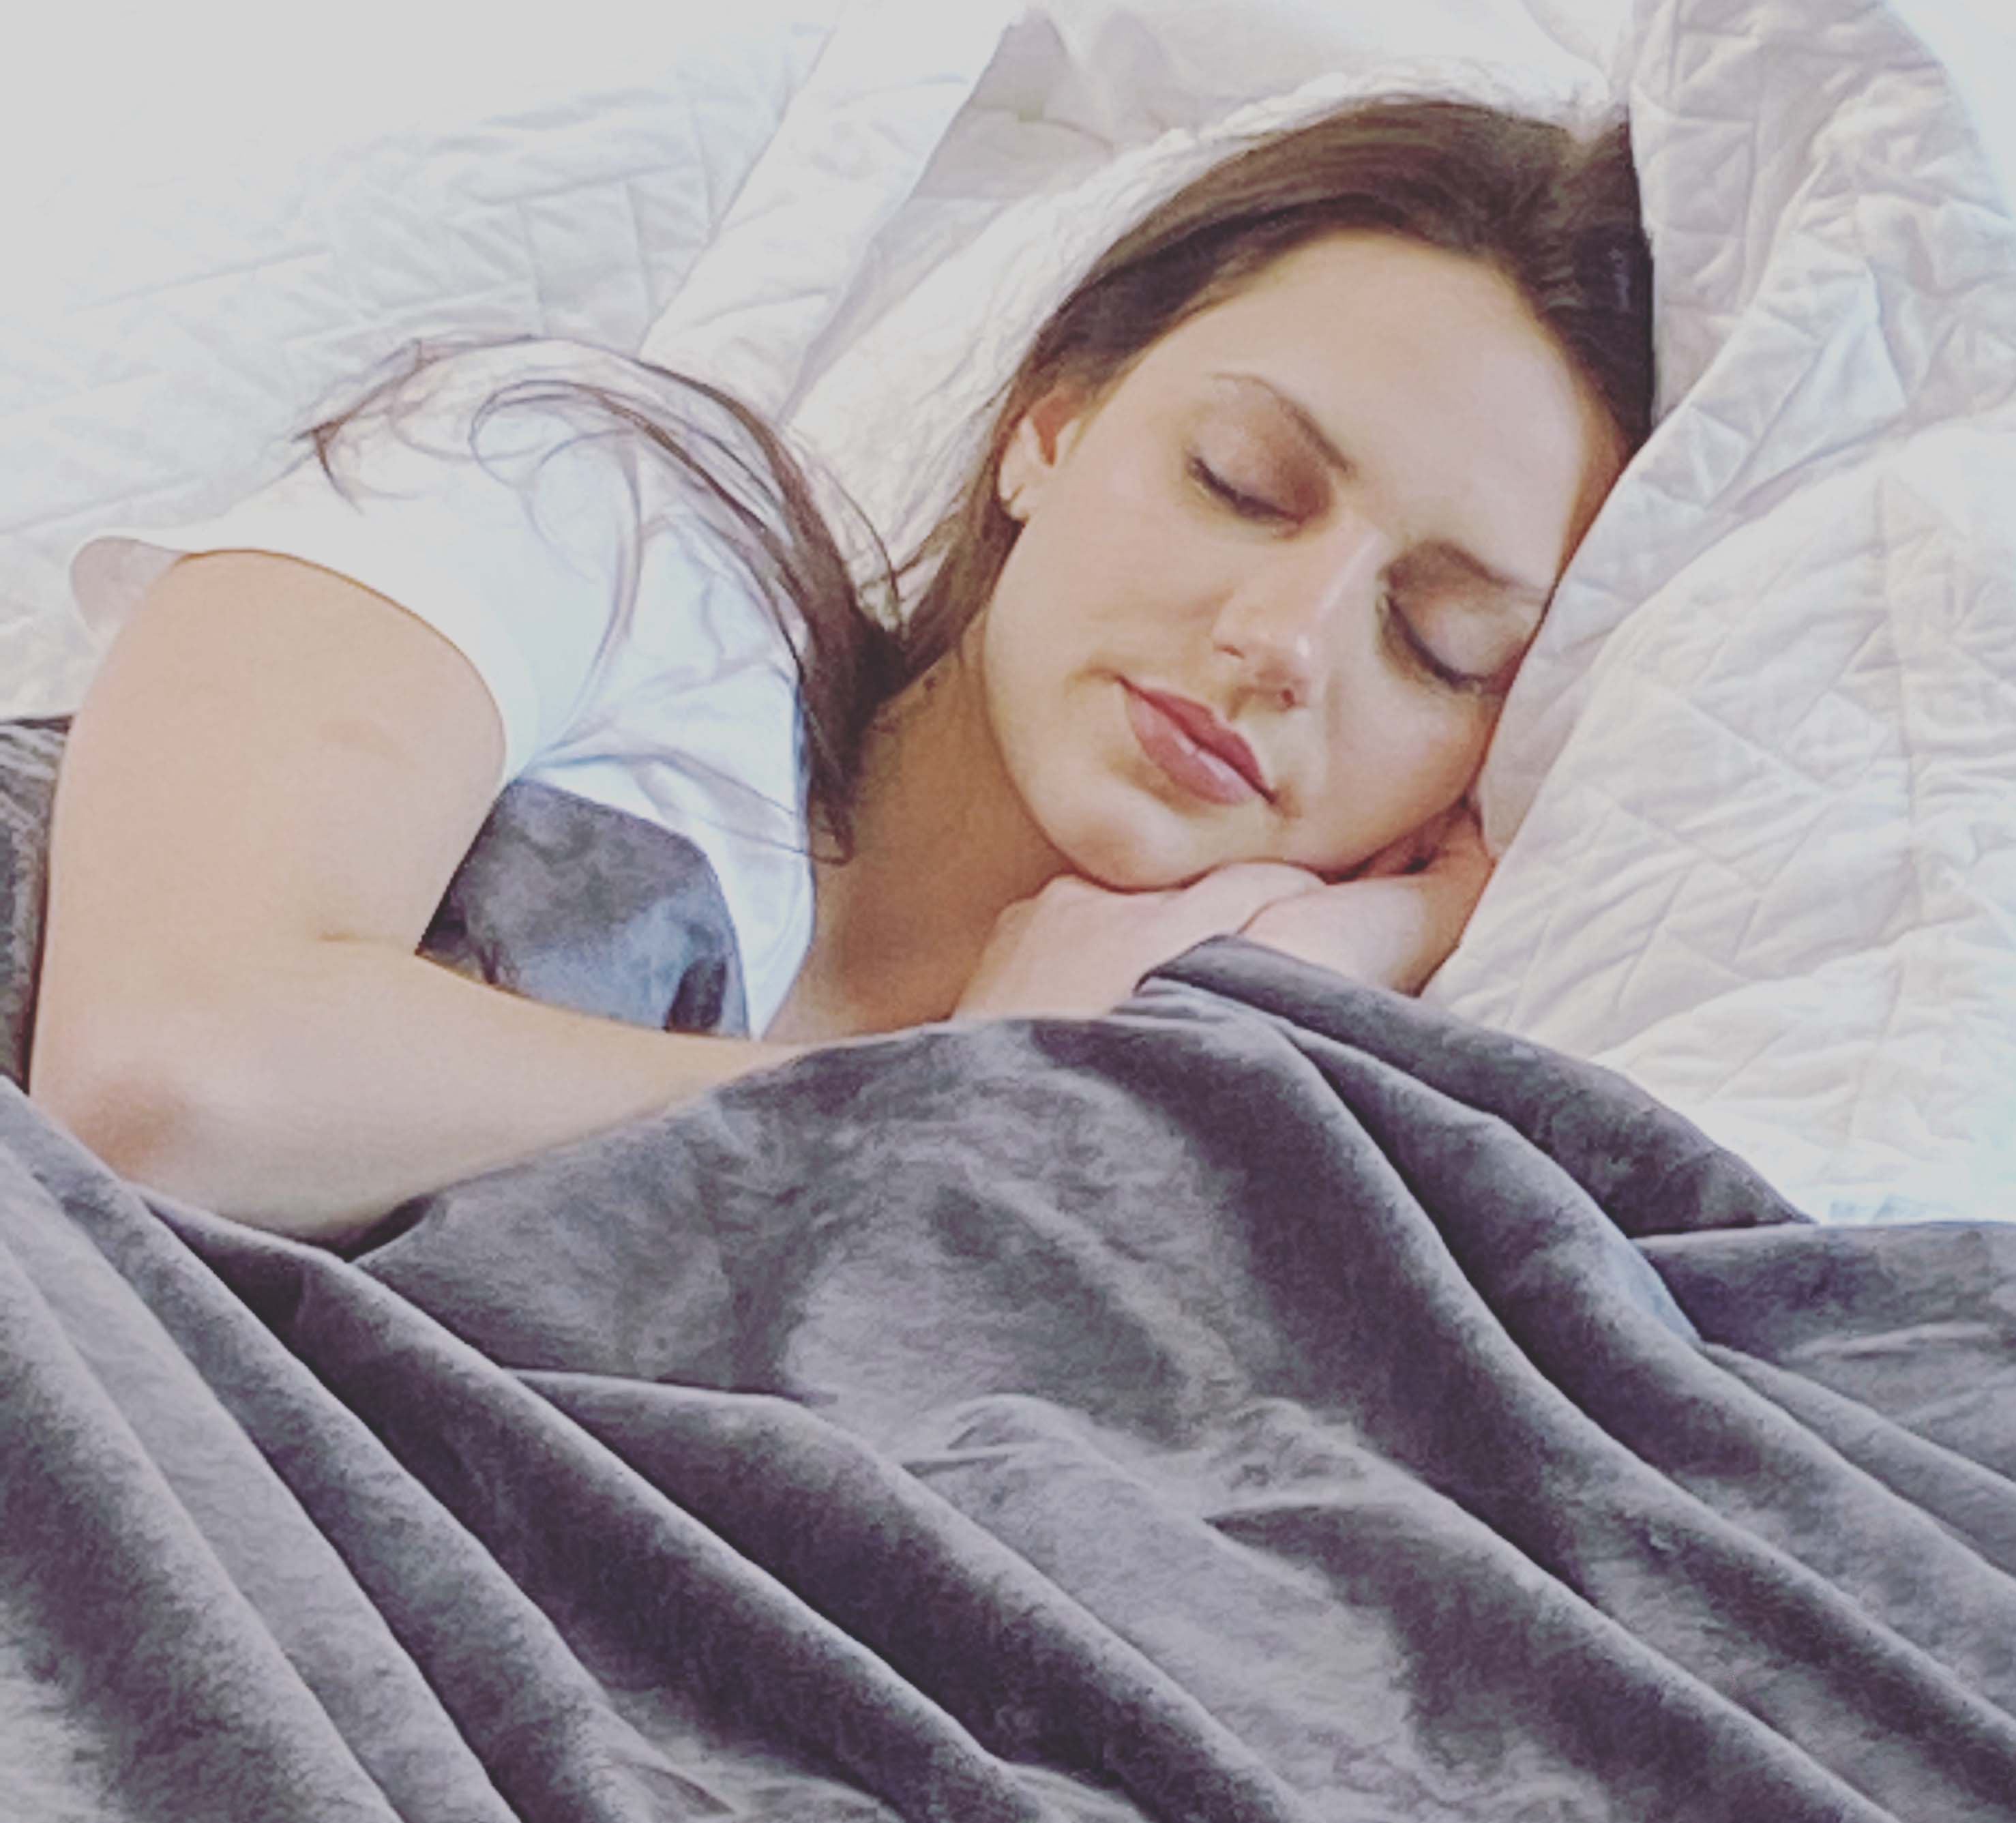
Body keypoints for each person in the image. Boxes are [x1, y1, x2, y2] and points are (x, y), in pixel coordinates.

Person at [27, 95, 1652, 1241]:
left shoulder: (1227, 1088)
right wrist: (918, 1079)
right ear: (1053, 429)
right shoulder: (605, 518)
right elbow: (170, 1081)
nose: (1282, 643)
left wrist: (1378, 940)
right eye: (1238, 481)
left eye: (1442, 645)